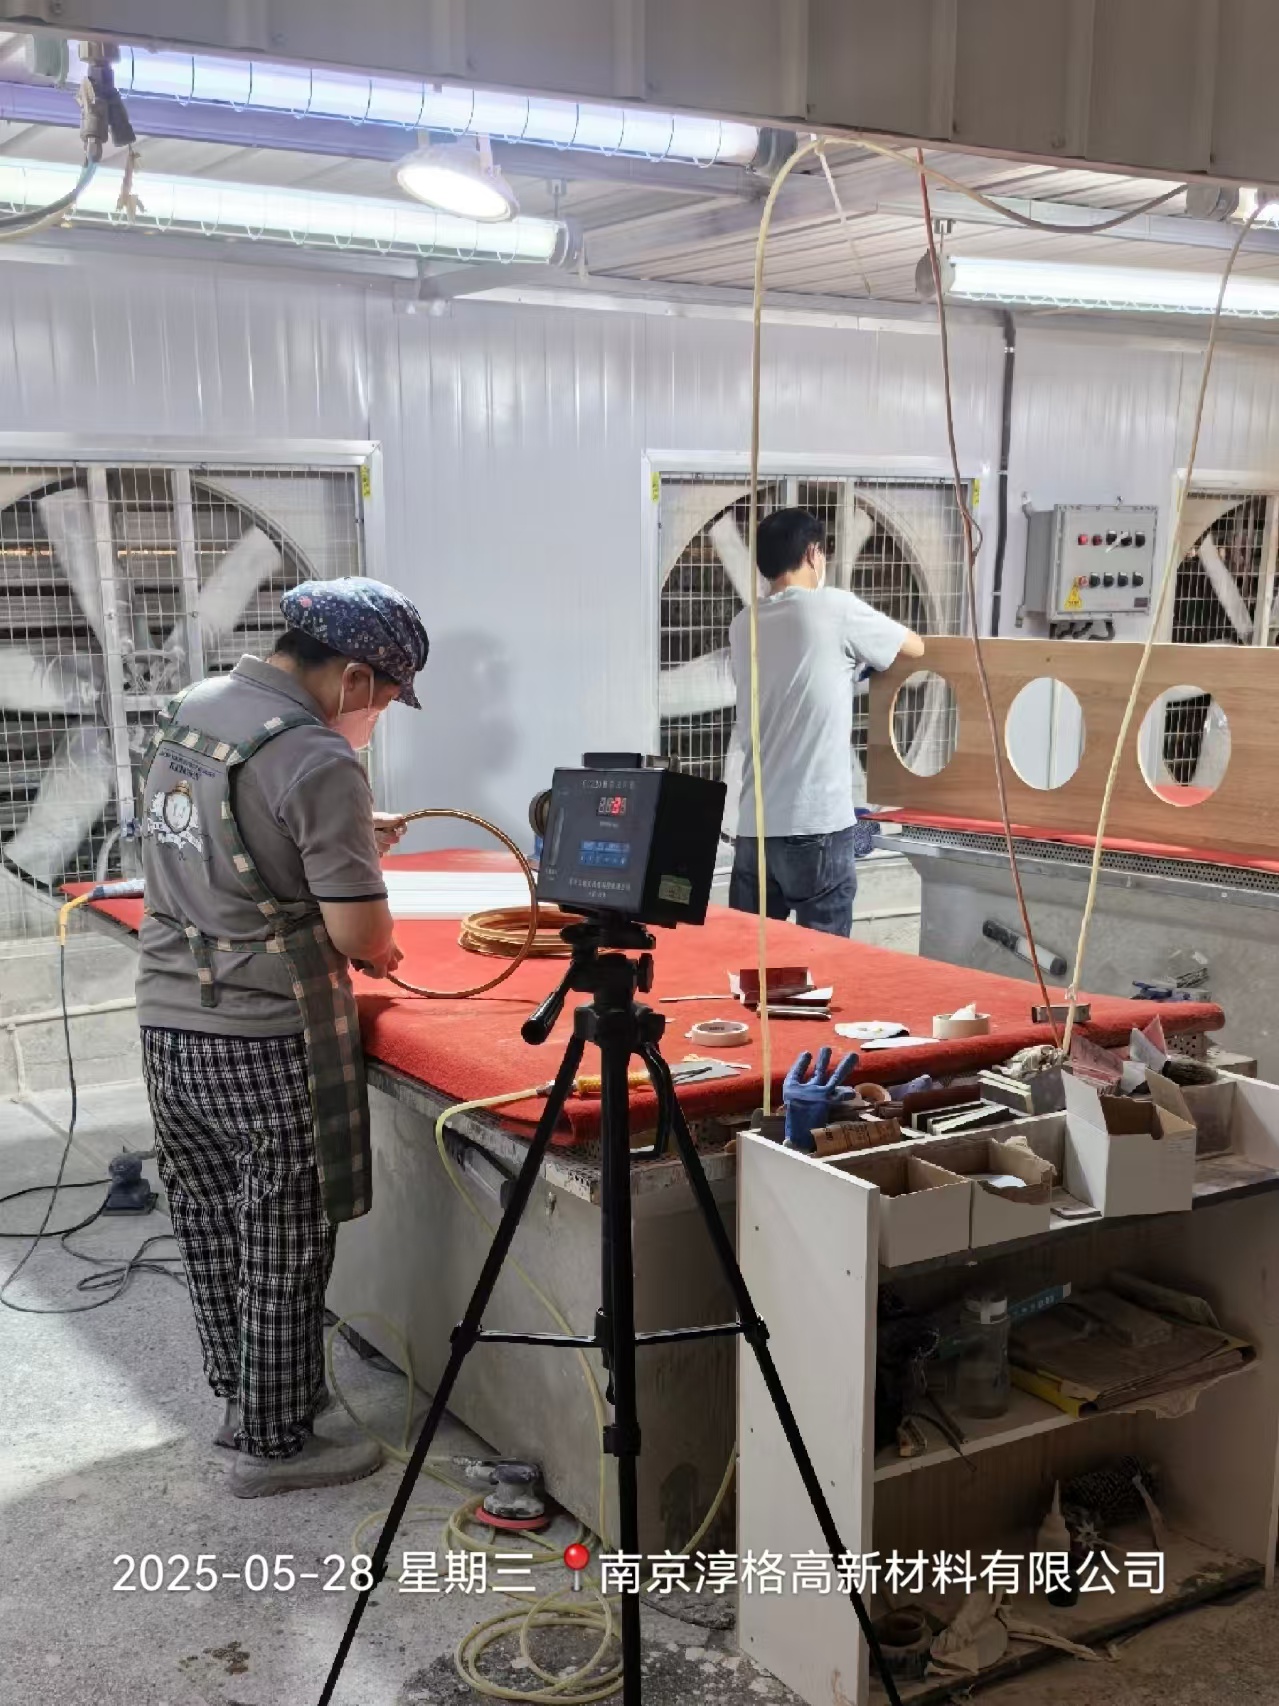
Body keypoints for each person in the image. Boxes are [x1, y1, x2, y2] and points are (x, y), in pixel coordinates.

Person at [135, 576, 429, 1498]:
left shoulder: (195, 707)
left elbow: (215, 832)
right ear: (353, 678)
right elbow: (359, 935)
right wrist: (374, 933)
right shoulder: (315, 755)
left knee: (210, 1217)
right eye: (386, 698)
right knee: (284, 1236)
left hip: (168, 1018)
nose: (378, 716)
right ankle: (272, 1446)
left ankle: (246, 1397)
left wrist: (344, 832)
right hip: (262, 1032)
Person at [727, 507, 924, 937]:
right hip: (815, 825)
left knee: (749, 957)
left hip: (754, 829)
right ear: (813, 554)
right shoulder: (834, 607)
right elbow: (914, 648)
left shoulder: (742, 625)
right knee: (824, 961)